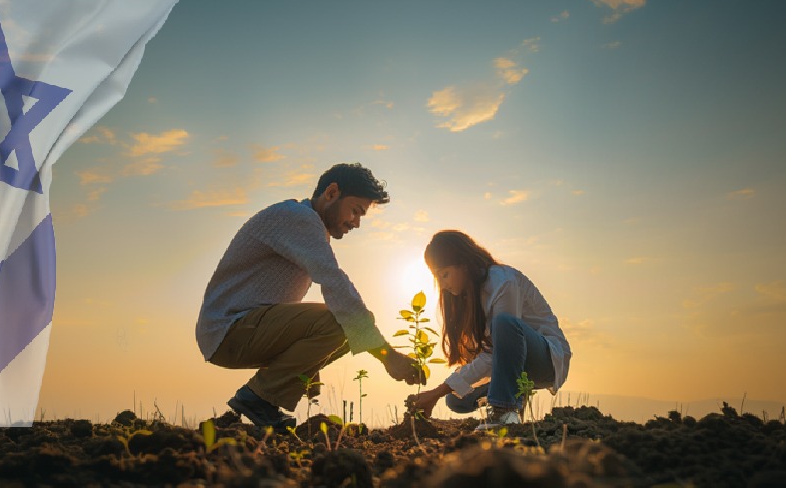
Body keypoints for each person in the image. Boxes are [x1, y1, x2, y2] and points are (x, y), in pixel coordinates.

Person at [196, 163, 423, 427]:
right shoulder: (297, 217)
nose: (356, 223)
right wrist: (388, 356)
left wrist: (307, 369)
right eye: (355, 211)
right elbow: (336, 284)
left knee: (351, 329)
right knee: (342, 320)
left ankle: (262, 399)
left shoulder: (307, 226)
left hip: (236, 331)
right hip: (229, 329)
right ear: (332, 193)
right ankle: (257, 397)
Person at [406, 230, 572, 430]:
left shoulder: (503, 282)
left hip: (545, 361)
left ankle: (504, 410)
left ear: (464, 264)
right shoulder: (466, 297)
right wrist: (442, 392)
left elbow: (495, 348)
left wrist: (436, 392)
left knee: (504, 323)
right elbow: (489, 354)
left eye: (445, 274)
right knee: (456, 399)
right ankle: (509, 393)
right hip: (510, 361)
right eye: (437, 277)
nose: (442, 285)